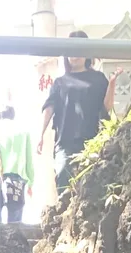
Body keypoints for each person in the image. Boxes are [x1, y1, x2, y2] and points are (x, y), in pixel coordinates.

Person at [38, 32, 116, 191]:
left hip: (92, 143)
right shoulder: (60, 82)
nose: (75, 55)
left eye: (80, 49)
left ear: (88, 53)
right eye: (71, 51)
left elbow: (106, 107)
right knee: (63, 182)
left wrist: (112, 84)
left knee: (91, 189)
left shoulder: (99, 79)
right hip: (65, 143)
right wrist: (41, 134)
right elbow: (49, 107)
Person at [0, 106, 32, 224]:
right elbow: (28, 158)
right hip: (17, 178)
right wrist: (31, 181)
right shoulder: (24, 131)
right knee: (15, 218)